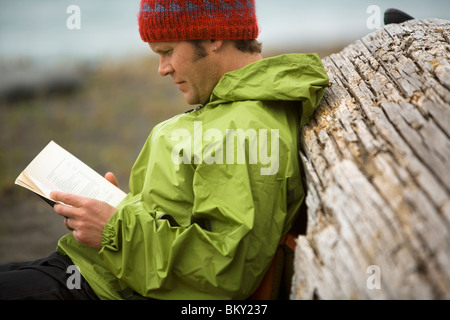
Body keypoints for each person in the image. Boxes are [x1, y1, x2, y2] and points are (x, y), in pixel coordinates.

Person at [0, 0, 328, 300]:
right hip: (98, 272)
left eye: (168, 50)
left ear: (214, 36)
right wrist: (120, 210)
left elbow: (225, 270)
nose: (162, 68)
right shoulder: (230, 107)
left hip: (102, 288)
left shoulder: (247, 129)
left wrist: (114, 230)